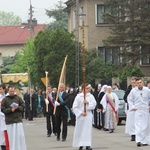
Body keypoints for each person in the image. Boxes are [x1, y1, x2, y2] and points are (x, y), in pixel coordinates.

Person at [1, 85, 27, 150]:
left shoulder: (18, 98)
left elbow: (23, 107)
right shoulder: (5, 99)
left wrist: (17, 107)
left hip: (18, 120)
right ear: (8, 91)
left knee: (20, 136)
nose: (12, 92)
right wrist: (10, 110)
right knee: (12, 137)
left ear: (14, 90)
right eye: (10, 91)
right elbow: (3, 109)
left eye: (13, 91)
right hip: (10, 121)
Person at [72, 83, 96, 150]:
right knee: (80, 130)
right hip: (81, 116)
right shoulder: (78, 97)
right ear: (83, 89)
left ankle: (87, 144)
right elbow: (74, 107)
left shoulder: (91, 96)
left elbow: (94, 105)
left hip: (88, 115)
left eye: (89, 88)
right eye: (87, 88)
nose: (89, 90)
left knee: (87, 131)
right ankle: (80, 144)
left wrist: (88, 103)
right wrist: (81, 113)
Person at [128, 78, 150, 147]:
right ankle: (138, 140)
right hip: (137, 110)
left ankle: (144, 140)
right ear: (136, 84)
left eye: (140, 82)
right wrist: (132, 106)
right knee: (138, 125)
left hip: (145, 109)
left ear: (142, 83)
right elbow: (130, 99)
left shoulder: (147, 90)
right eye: (137, 83)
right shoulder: (133, 91)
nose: (139, 84)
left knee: (145, 125)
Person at [124, 76, 137, 141]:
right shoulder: (129, 89)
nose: (133, 84)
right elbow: (125, 98)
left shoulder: (139, 89)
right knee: (131, 122)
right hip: (131, 108)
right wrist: (130, 103)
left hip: (138, 108)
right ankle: (133, 135)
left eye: (134, 82)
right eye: (132, 82)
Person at [0, 84, 7, 150]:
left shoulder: (7, 97)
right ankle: (3, 147)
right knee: (1, 134)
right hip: (1, 117)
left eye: (1, 89)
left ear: (4, 89)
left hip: (7, 117)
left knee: (6, 133)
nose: (0, 91)